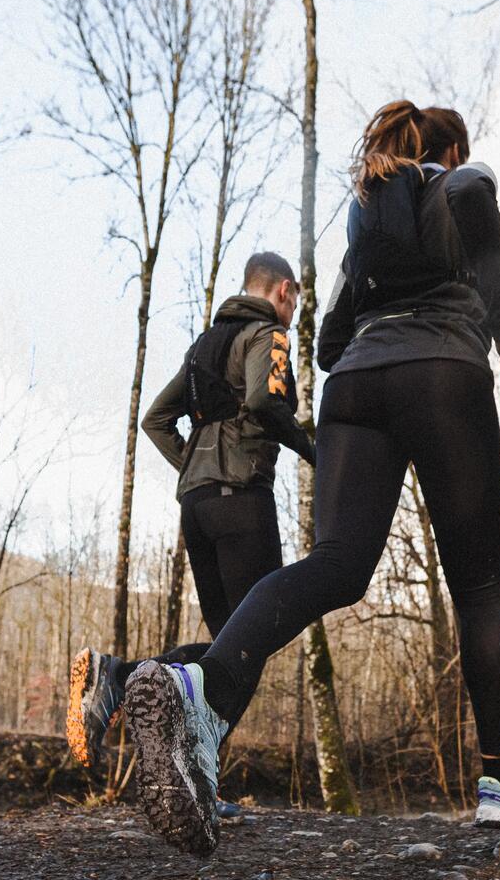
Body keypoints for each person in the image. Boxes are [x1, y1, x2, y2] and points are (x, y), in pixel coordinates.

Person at [122, 100, 500, 856]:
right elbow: (475, 195)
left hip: (356, 389)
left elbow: (326, 342)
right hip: (444, 375)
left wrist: (379, 325)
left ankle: (203, 691)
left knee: (334, 566)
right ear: (446, 149)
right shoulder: (456, 179)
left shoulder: (365, 221)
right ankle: (498, 784)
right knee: (476, 586)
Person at [66, 252, 315, 800]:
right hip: (242, 502)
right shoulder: (267, 335)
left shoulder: (204, 345)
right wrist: (313, 450)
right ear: (282, 291)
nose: (294, 309)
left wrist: (195, 467)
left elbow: (155, 418)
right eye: (294, 298)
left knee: (231, 647)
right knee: (260, 633)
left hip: (197, 509)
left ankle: (192, 773)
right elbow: (263, 400)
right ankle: (120, 676)